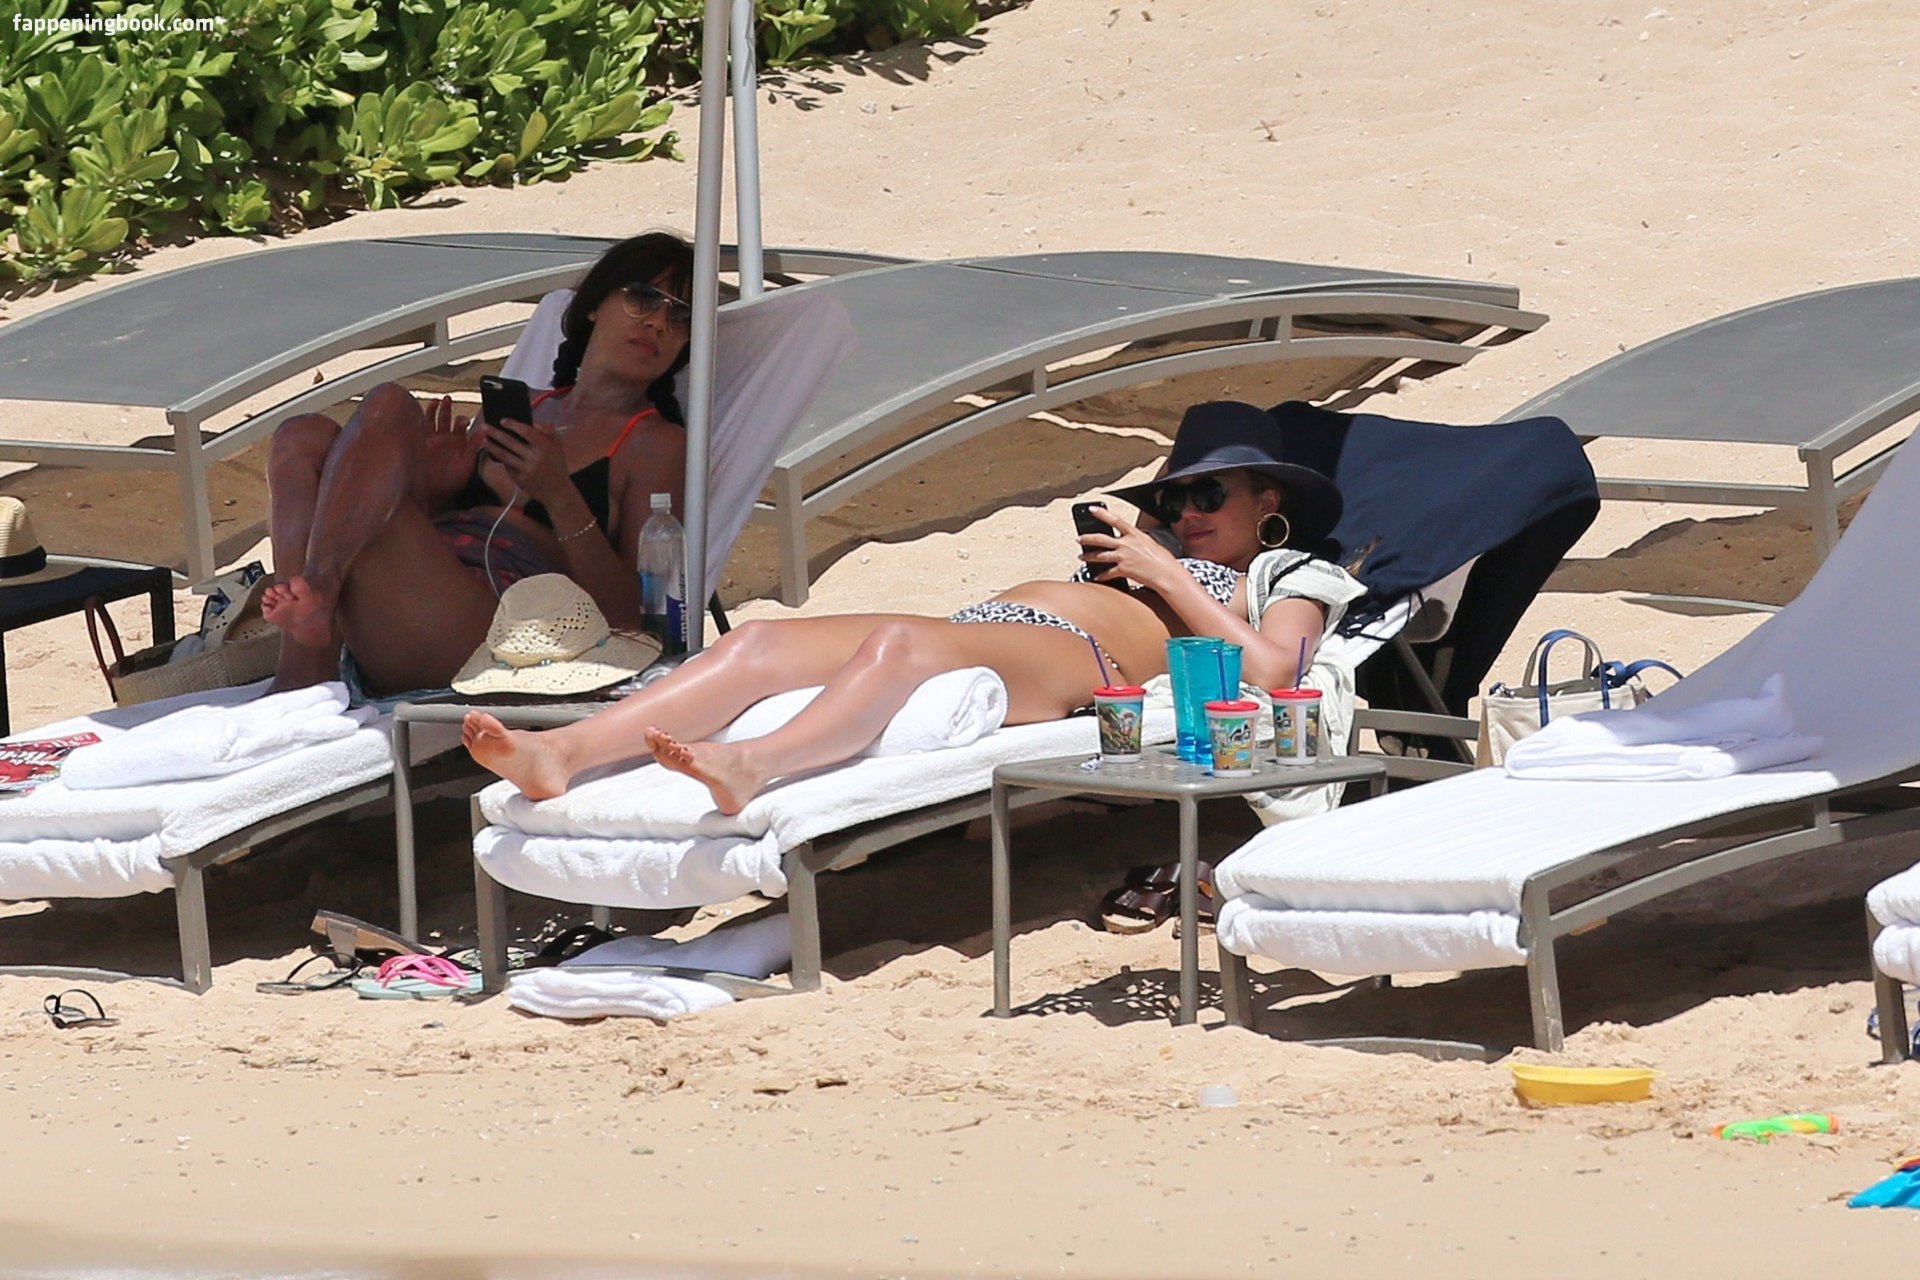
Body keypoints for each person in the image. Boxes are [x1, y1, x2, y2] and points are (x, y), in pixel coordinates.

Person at [463, 401, 1366, 814]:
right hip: (994, 625)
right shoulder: (1151, 554)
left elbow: (1275, 670)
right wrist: (1146, 558)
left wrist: (1164, 574)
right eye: (1173, 498)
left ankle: (753, 766)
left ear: (1268, 504)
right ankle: (560, 753)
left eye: (1210, 496)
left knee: (899, 642)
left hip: (1083, 662)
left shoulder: (1290, 571)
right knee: (761, 640)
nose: (1186, 513)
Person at [260, 231, 696, 696]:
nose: (658, 323)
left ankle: (318, 597)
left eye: (680, 315)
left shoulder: (655, 443)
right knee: (302, 436)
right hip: (414, 605)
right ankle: (304, 666)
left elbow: (637, 619)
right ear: (595, 304)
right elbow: (415, 539)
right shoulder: (511, 409)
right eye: (643, 297)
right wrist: (431, 491)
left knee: (390, 403)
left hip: (507, 635)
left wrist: (559, 495)